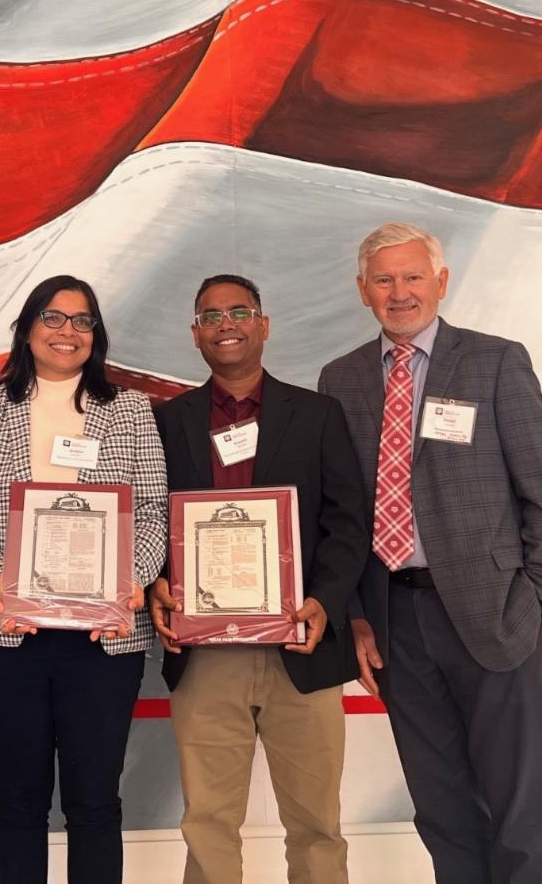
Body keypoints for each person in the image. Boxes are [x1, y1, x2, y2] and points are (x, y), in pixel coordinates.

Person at [319, 222, 542, 884]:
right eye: (384, 279)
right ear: (362, 290)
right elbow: (338, 513)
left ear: (441, 282)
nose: (399, 292)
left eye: (412, 276)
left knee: (519, 812)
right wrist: (356, 618)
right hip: (395, 624)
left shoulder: (495, 361)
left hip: (497, 616)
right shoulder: (340, 379)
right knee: (441, 810)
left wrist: (540, 603)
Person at [0, 275, 168, 884]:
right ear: (28, 328)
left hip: (102, 640)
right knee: (18, 803)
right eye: (54, 317)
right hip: (7, 633)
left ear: (97, 333)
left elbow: (152, 513)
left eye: (82, 320)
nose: (68, 332)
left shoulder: (130, 411)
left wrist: (130, 581)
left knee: (95, 805)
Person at [149, 274, 367, 884]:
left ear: (263, 324)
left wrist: (325, 600)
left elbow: (348, 523)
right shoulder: (165, 423)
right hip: (205, 653)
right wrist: (157, 584)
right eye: (211, 315)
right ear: (196, 334)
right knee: (209, 822)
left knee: (318, 825)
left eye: (239, 311)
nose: (226, 324)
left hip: (302, 643)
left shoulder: (320, 415)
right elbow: (147, 520)